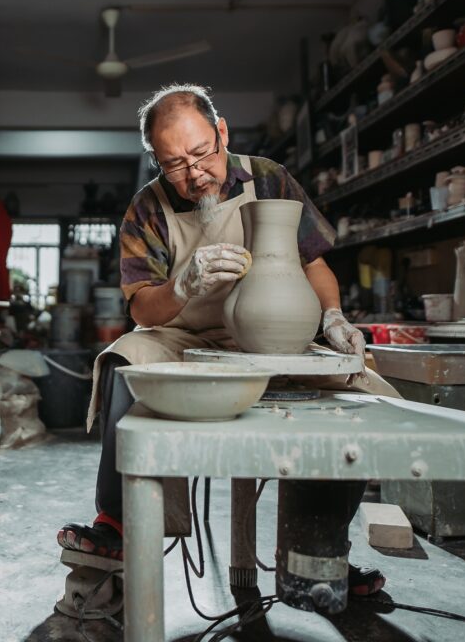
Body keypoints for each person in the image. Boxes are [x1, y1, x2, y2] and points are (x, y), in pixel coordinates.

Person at [56, 84, 396, 597]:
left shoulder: (269, 178)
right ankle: (119, 526)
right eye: (175, 164)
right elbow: (141, 307)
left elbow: (313, 263)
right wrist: (183, 285)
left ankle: (317, 549)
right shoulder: (147, 208)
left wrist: (332, 316)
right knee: (124, 360)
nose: (194, 173)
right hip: (184, 333)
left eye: (201, 154)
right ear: (156, 161)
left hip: (273, 339)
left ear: (222, 133)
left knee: (355, 386)